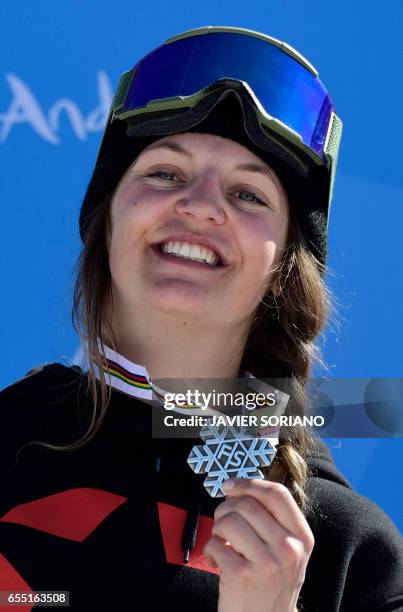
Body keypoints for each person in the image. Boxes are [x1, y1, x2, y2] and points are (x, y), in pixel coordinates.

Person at [1, 26, 402, 612]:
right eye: (165, 173)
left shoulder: (349, 553)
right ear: (107, 220)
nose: (201, 205)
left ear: (286, 266)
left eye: (248, 195)